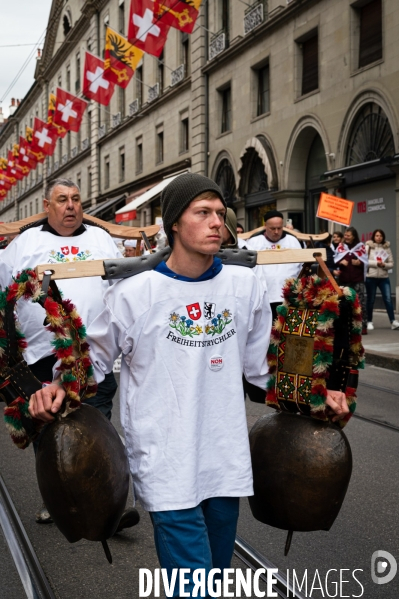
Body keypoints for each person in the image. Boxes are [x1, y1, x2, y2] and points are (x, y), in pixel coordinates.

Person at [29, 173, 349, 596]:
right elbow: (95, 361)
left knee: (213, 579)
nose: (217, 222)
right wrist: (58, 387)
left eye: (220, 213)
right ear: (175, 223)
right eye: (203, 212)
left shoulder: (245, 286)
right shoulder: (133, 293)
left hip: (225, 459)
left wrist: (314, 393)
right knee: (195, 585)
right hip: (166, 461)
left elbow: (261, 370)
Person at [0, 178, 139, 530]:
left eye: (76, 199)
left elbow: (122, 288)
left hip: (94, 352)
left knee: (98, 423)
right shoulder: (26, 243)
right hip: (41, 354)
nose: (71, 206)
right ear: (47, 205)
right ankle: (58, 500)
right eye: (62, 200)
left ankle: (109, 500)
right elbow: (5, 292)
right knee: (48, 427)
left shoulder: (101, 239)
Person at [246, 210, 302, 319]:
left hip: (288, 298)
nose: (276, 232)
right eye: (272, 228)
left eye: (279, 228)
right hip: (264, 299)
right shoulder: (254, 242)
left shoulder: (293, 241)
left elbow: (301, 267)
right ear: (265, 226)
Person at [334, 226, 368, 334]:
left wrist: (360, 263)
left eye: (348, 235)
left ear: (354, 236)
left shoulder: (360, 247)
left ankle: (363, 326)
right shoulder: (341, 246)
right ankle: (347, 325)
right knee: (345, 304)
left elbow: (365, 262)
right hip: (344, 280)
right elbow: (335, 260)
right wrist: (340, 262)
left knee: (360, 303)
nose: (346, 237)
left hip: (357, 280)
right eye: (345, 235)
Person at [365, 229, 399, 330]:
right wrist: (376, 263)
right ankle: (369, 321)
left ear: (383, 237)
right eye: (377, 235)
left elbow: (391, 264)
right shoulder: (368, 247)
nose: (379, 237)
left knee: (388, 299)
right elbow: (365, 261)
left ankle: (393, 321)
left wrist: (384, 265)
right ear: (373, 237)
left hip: (384, 278)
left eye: (380, 236)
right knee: (370, 300)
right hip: (371, 277)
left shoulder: (387, 248)